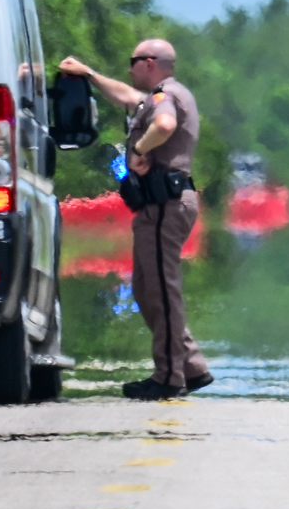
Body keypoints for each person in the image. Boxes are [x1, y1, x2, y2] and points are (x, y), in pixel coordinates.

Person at [58, 40, 211, 400]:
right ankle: (190, 365)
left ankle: (170, 377)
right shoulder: (161, 93)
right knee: (146, 288)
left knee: (161, 288)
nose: (129, 69)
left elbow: (165, 124)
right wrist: (91, 75)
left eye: (133, 63)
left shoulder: (164, 98)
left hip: (165, 204)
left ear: (148, 63)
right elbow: (126, 96)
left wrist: (140, 150)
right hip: (157, 206)